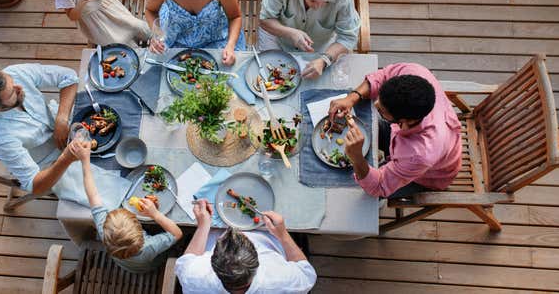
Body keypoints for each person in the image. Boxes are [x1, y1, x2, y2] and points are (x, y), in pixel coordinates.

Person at [0, 64, 130, 208]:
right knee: (111, 193)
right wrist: (66, 158)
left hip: (63, 121)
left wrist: (62, 118)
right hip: (50, 161)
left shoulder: (14, 72)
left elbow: (68, 76)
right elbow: (34, 185)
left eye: (12, 83)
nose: (19, 88)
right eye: (12, 94)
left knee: (120, 117)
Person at [328, 63, 462, 198]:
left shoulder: (419, 155)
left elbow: (378, 187)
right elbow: (383, 75)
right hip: (413, 141)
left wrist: (356, 156)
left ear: (405, 121)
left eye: (381, 111)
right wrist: (352, 97)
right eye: (380, 96)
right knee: (369, 128)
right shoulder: (415, 71)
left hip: (428, 175)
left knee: (364, 195)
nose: (375, 104)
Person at [70, 140, 183, 272]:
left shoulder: (103, 229)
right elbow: (177, 233)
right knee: (173, 249)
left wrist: (85, 161)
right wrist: (155, 214)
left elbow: (92, 194)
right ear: (140, 231)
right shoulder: (148, 247)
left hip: (123, 264)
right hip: (147, 266)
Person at [175, 199, 316, 293]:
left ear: (212, 264)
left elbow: (188, 259)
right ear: (257, 262)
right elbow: (307, 273)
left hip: (214, 226)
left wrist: (203, 226)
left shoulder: (193, 278)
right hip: (268, 231)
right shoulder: (282, 280)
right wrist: (283, 234)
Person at [258, 0, 360, 79]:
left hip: (321, 49)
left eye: (325, 2)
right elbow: (265, 20)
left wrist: (324, 60)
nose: (317, 7)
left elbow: (348, 37)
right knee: (271, 78)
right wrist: (291, 33)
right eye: (312, 0)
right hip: (277, 39)